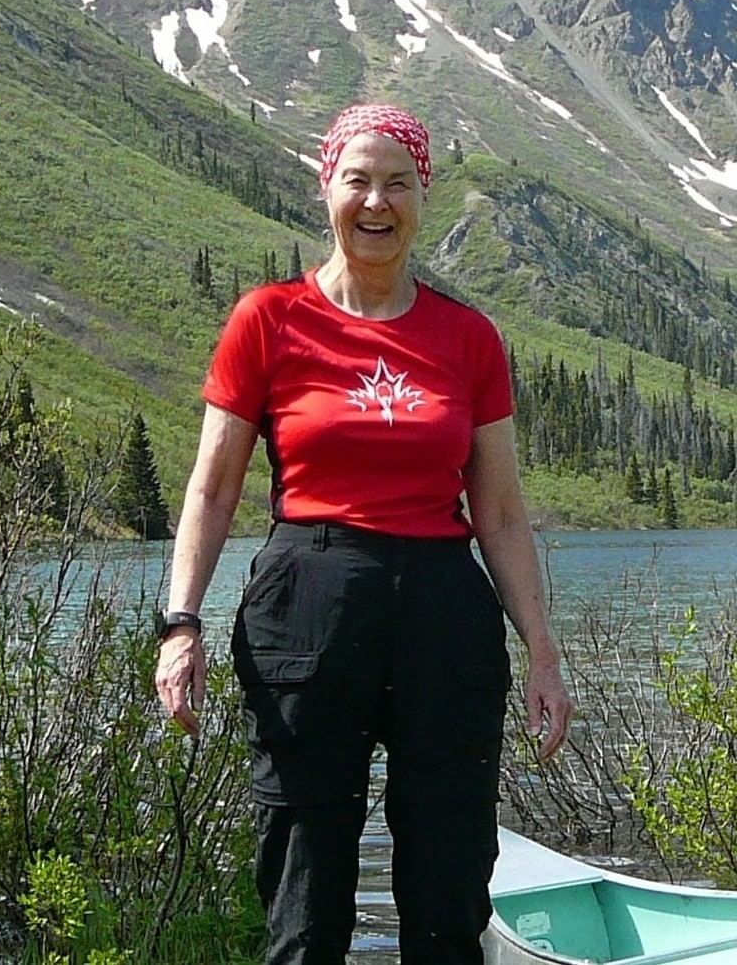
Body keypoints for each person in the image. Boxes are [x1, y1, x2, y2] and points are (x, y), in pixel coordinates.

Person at [152, 102, 572, 965]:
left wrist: (541, 651)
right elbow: (214, 487)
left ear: (422, 198)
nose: (376, 203)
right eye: (358, 181)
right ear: (327, 191)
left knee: (448, 888)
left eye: (397, 184)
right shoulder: (267, 320)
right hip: (308, 602)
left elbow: (497, 511)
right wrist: (181, 624)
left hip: (444, 613)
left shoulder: (469, 338)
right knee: (306, 895)